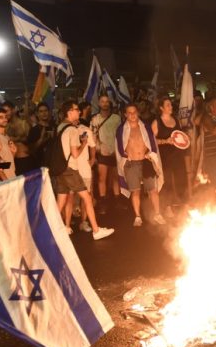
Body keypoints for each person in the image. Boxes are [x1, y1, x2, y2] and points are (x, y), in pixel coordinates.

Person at [54, 100, 114, 240]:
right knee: (87, 198)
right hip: (70, 170)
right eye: (76, 109)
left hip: (61, 169)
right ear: (69, 112)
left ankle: (52, 229)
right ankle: (96, 230)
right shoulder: (72, 130)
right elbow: (75, 154)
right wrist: (84, 143)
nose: (79, 111)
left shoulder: (61, 128)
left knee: (60, 201)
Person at [116, 103, 165, 226]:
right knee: (135, 191)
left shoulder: (146, 127)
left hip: (146, 161)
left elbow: (152, 144)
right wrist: (126, 157)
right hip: (131, 163)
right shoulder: (121, 130)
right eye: (129, 112)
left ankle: (158, 214)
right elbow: (119, 148)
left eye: (134, 112)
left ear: (138, 113)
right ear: (125, 114)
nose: (132, 115)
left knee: (153, 190)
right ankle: (137, 216)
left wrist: (150, 154)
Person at [152, 97, 190, 217]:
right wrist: (165, 141)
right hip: (165, 157)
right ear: (161, 108)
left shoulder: (176, 120)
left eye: (171, 105)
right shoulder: (156, 122)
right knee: (167, 182)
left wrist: (186, 139)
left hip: (178, 155)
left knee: (181, 179)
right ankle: (167, 207)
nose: (171, 107)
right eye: (168, 105)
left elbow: (180, 136)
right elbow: (151, 141)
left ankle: (184, 205)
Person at [90, 95, 122, 212]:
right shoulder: (95, 119)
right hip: (102, 152)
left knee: (115, 178)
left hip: (114, 152)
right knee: (102, 178)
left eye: (107, 101)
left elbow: (120, 135)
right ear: (99, 104)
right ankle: (103, 202)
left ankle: (117, 200)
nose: (105, 103)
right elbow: (92, 137)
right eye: (102, 101)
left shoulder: (116, 118)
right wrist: (95, 152)